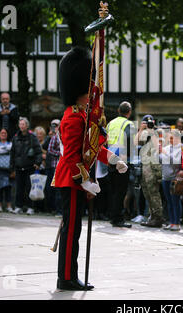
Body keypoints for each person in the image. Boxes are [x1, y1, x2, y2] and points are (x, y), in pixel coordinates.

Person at [53, 46, 128, 291]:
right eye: (89, 90)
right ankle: (66, 277)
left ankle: (70, 276)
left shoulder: (83, 115)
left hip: (76, 179)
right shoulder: (74, 117)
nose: (92, 94)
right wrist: (84, 180)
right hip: (71, 179)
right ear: (80, 91)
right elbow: (74, 155)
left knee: (74, 231)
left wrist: (114, 160)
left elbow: (93, 148)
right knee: (71, 231)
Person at [106, 101, 135, 228]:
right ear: (129, 112)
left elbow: (105, 139)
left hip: (110, 158)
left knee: (113, 190)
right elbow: (129, 139)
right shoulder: (128, 123)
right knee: (121, 190)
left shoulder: (110, 123)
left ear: (118, 110)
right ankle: (118, 218)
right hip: (122, 159)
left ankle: (112, 216)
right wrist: (128, 155)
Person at [135, 114, 164, 228]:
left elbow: (158, 147)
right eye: (146, 123)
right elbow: (135, 143)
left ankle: (158, 217)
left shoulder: (157, 133)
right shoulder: (143, 133)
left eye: (150, 123)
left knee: (154, 192)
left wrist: (151, 131)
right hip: (145, 165)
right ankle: (152, 216)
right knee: (147, 192)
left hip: (154, 166)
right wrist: (141, 129)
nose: (149, 125)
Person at [10, 117, 42, 215]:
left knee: (29, 187)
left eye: (23, 124)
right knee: (19, 188)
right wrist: (11, 167)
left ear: (27, 125)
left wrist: (38, 162)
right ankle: (18, 206)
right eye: (20, 124)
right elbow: (12, 153)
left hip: (30, 167)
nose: (22, 126)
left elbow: (38, 151)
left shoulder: (33, 137)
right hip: (19, 167)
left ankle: (30, 207)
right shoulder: (15, 137)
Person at [160, 129, 183, 231]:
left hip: (174, 178)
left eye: (172, 138)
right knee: (169, 201)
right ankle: (171, 222)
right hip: (165, 177)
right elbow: (159, 159)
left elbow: (176, 161)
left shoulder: (180, 148)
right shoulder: (167, 148)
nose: (170, 140)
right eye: (169, 138)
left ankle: (177, 223)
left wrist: (164, 153)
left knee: (175, 201)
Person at [0, 128, 14, 212]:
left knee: (8, 188)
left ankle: (9, 206)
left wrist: (1, 149)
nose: (3, 134)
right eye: (2, 133)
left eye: (5, 133)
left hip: (8, 168)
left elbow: (11, 149)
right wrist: (6, 149)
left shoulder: (11, 143)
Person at [45, 119, 62, 215]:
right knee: (53, 189)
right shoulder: (55, 137)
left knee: (59, 189)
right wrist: (60, 154)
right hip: (54, 166)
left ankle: (59, 210)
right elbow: (50, 150)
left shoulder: (64, 136)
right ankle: (54, 209)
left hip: (62, 166)